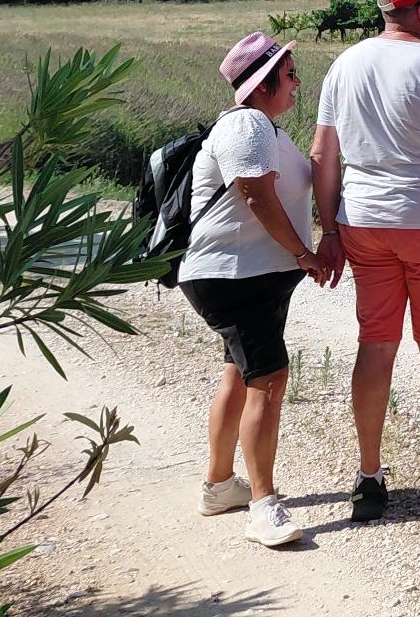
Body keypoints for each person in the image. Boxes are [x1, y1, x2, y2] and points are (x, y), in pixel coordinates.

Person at [310, 0, 420, 522]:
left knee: (375, 344)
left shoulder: (344, 64)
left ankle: (370, 475)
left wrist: (327, 229)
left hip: (364, 221)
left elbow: (324, 155)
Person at [182, 32, 331, 549]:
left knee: (240, 373)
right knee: (269, 380)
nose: (297, 83)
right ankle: (263, 507)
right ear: (265, 84)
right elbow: (258, 197)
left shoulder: (265, 127)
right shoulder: (246, 124)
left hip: (243, 273)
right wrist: (305, 253)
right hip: (236, 274)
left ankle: (220, 484)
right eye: (290, 75)